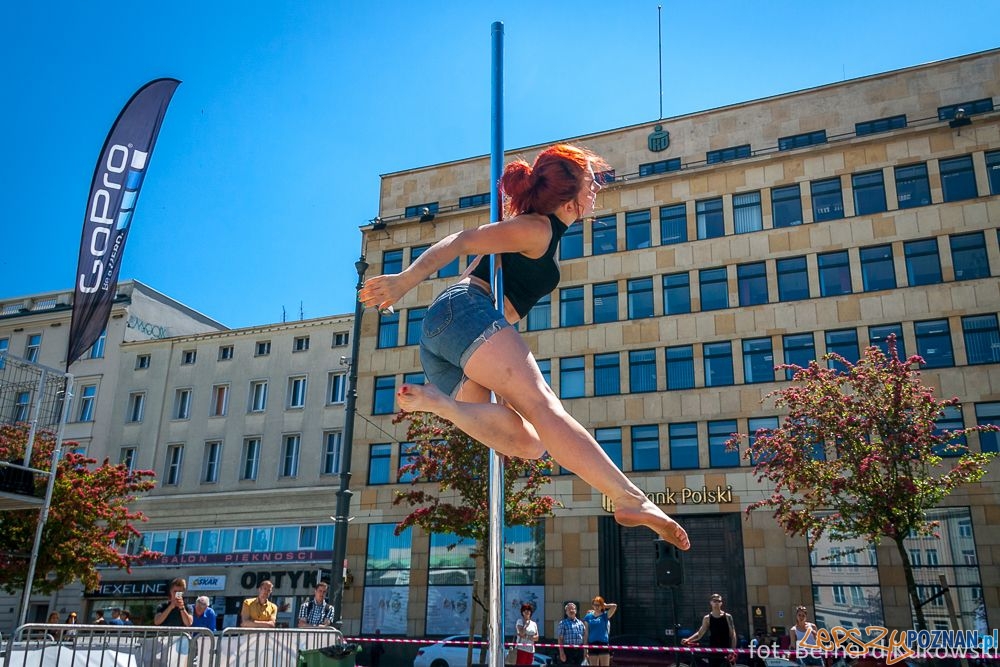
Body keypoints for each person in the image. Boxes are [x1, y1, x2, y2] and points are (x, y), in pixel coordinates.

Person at [358, 144, 689, 551]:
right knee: (544, 406)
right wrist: (403, 281)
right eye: (591, 182)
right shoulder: (538, 228)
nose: (596, 190)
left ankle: (440, 406)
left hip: (447, 345)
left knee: (529, 443)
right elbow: (462, 241)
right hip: (463, 313)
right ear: (568, 193)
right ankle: (629, 498)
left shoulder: (541, 231)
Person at [681, 593, 737, 667]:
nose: (716, 602)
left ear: (721, 603)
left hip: (726, 650)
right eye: (714, 601)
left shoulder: (727, 616)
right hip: (713, 651)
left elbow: (733, 635)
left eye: (718, 601)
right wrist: (688, 640)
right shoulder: (707, 618)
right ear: (711, 602)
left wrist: (732, 650)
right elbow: (700, 633)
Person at [582, 596, 618, 666]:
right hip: (592, 643)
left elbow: (614, 606)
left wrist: (605, 605)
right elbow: (586, 633)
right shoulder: (588, 617)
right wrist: (585, 649)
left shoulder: (605, 615)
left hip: (603, 643)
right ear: (592, 605)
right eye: (595, 605)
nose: (597, 607)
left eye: (599, 605)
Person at [557, 602, 588, 666]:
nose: (571, 611)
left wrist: (585, 652)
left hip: (579, 651)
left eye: (573, 609)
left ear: (576, 611)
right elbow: (560, 639)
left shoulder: (581, 623)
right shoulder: (563, 623)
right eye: (569, 609)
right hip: (568, 651)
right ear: (566, 612)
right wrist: (561, 652)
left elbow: (585, 638)